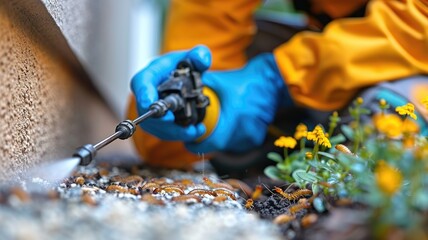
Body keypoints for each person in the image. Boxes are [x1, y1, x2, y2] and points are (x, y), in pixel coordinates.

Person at [128, 0, 428, 170]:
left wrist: (280, 77)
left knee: (394, 113)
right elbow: (206, 26)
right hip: (351, 41)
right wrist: (201, 110)